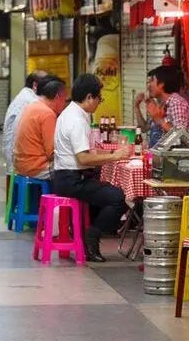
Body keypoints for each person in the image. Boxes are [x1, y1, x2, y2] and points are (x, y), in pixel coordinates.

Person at [52, 74, 130, 262]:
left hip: (66, 176)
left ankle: (85, 232)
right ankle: (92, 236)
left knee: (102, 192)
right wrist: (114, 156)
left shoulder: (70, 112)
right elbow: (83, 159)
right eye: (99, 98)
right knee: (118, 197)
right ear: (89, 97)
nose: (99, 103)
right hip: (71, 180)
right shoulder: (77, 120)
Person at [13, 76, 69, 180]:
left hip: (20, 165)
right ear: (57, 97)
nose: (65, 104)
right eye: (65, 100)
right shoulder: (47, 114)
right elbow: (52, 152)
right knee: (71, 172)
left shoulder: (32, 106)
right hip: (36, 168)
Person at [2, 70, 48, 180]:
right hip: (20, 160)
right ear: (35, 85)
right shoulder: (32, 101)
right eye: (46, 84)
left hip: (16, 157)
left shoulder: (25, 95)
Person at [136, 65, 189, 136]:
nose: (148, 85)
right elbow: (144, 129)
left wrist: (160, 120)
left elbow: (181, 136)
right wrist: (136, 107)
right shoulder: (160, 104)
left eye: (152, 81)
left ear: (161, 84)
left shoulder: (177, 103)